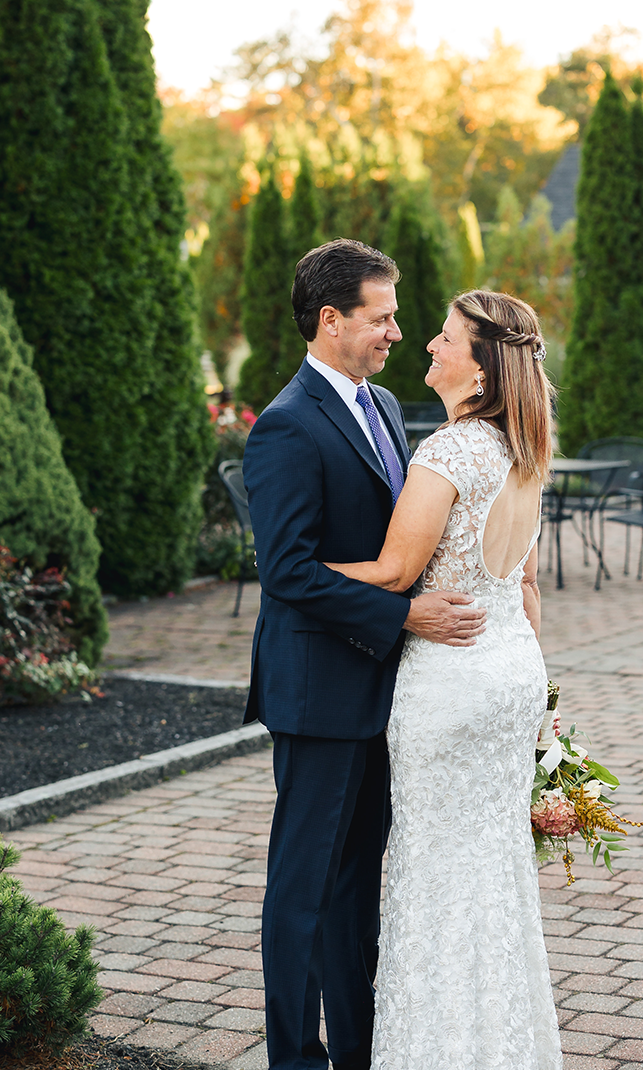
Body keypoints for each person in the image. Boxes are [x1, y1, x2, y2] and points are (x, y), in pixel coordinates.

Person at [242, 239, 487, 1070]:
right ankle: (293, 1057)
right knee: (302, 891)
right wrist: (407, 616)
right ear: (330, 319)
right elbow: (286, 573)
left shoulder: (381, 406)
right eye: (380, 318)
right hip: (317, 692)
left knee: (355, 890)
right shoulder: (283, 427)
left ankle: (356, 1048)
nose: (394, 332)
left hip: (385, 690)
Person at [325, 289, 563, 1069]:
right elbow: (526, 589)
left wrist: (297, 567)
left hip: (453, 684)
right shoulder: (527, 450)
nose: (429, 343)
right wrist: (544, 716)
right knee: (491, 873)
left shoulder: (450, 451)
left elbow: (395, 573)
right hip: (511, 674)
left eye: (447, 338)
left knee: (434, 875)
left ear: (482, 365)